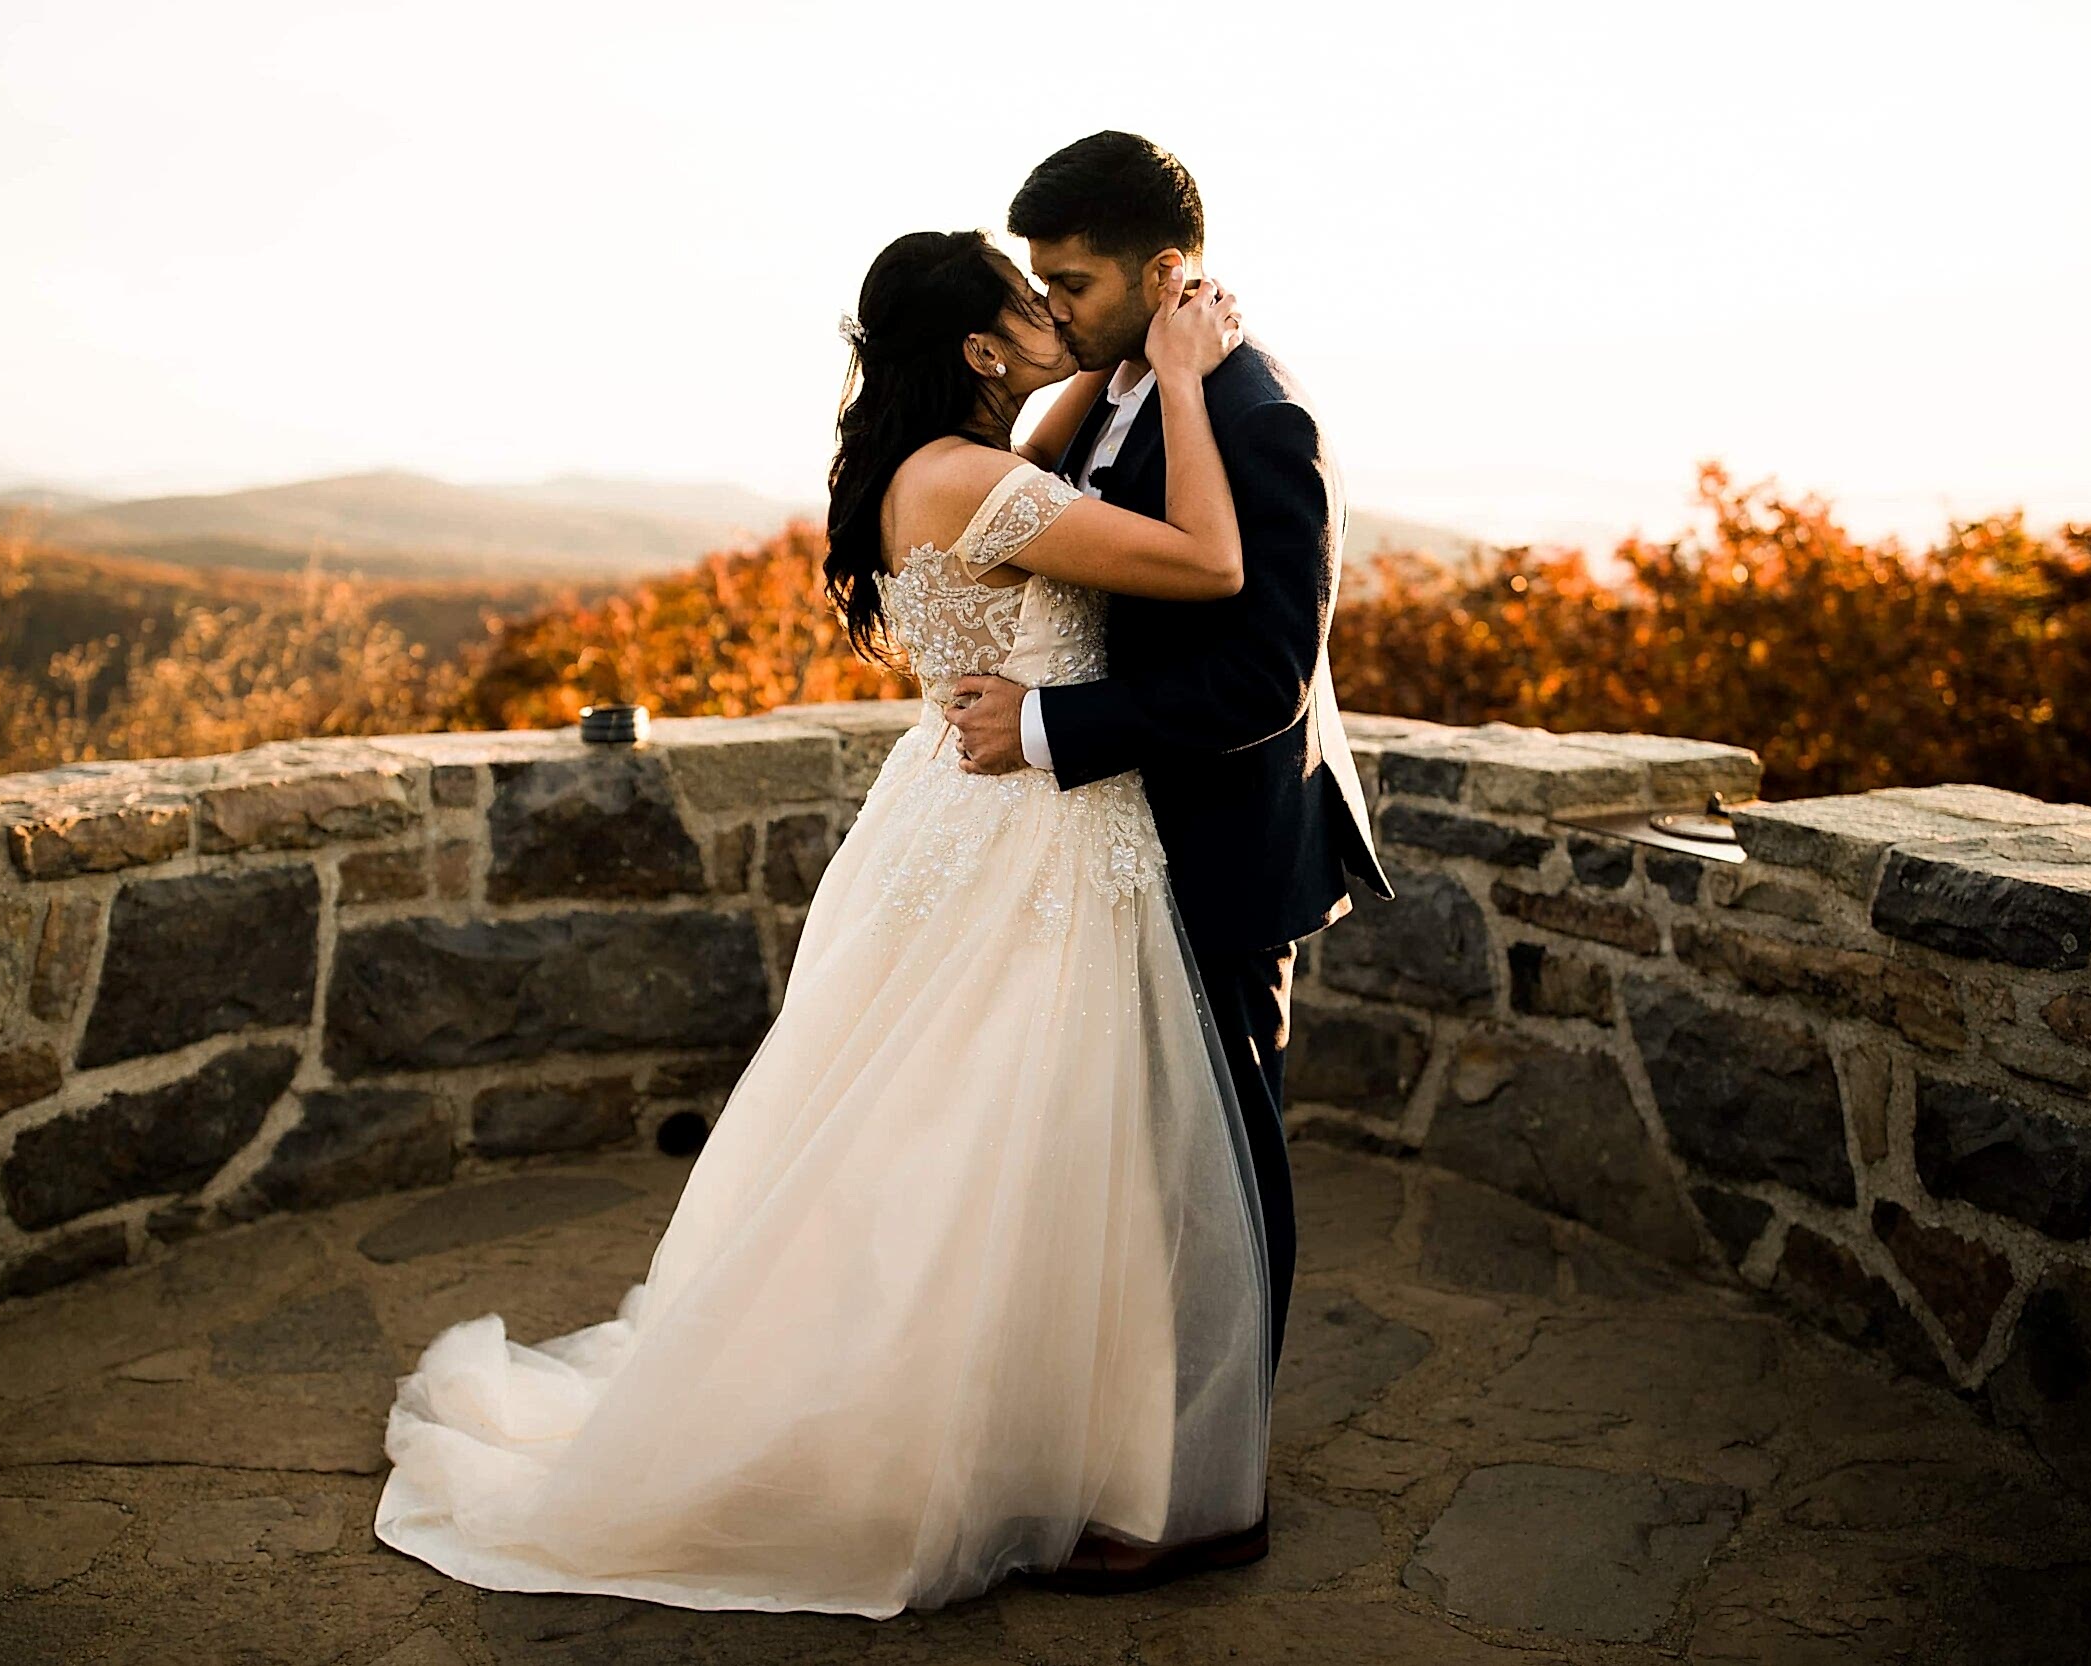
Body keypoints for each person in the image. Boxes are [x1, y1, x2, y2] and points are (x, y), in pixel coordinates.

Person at [373, 225, 1279, 1617]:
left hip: (953, 806)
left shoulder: (936, 465)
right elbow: (1215, 563)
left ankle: (1027, 1432)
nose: (1053, 315)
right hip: (1025, 833)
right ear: (981, 349)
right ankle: (991, 1445)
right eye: (1026, 306)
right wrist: (1186, 376)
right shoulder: (979, 479)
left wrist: (1106, 383)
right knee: (1011, 1131)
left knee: (941, 1132)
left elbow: (1039, 432)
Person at [947, 138, 1394, 1578]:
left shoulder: (1261, 421)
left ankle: (1217, 1498)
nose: (1053, 306)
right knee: (1137, 1163)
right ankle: (1130, 1441)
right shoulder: (1123, 391)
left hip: (1215, 844)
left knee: (1221, 1169)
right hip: (1124, 844)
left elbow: (1262, 675)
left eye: (1071, 282)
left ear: (1159, 273)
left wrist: (1045, 724)